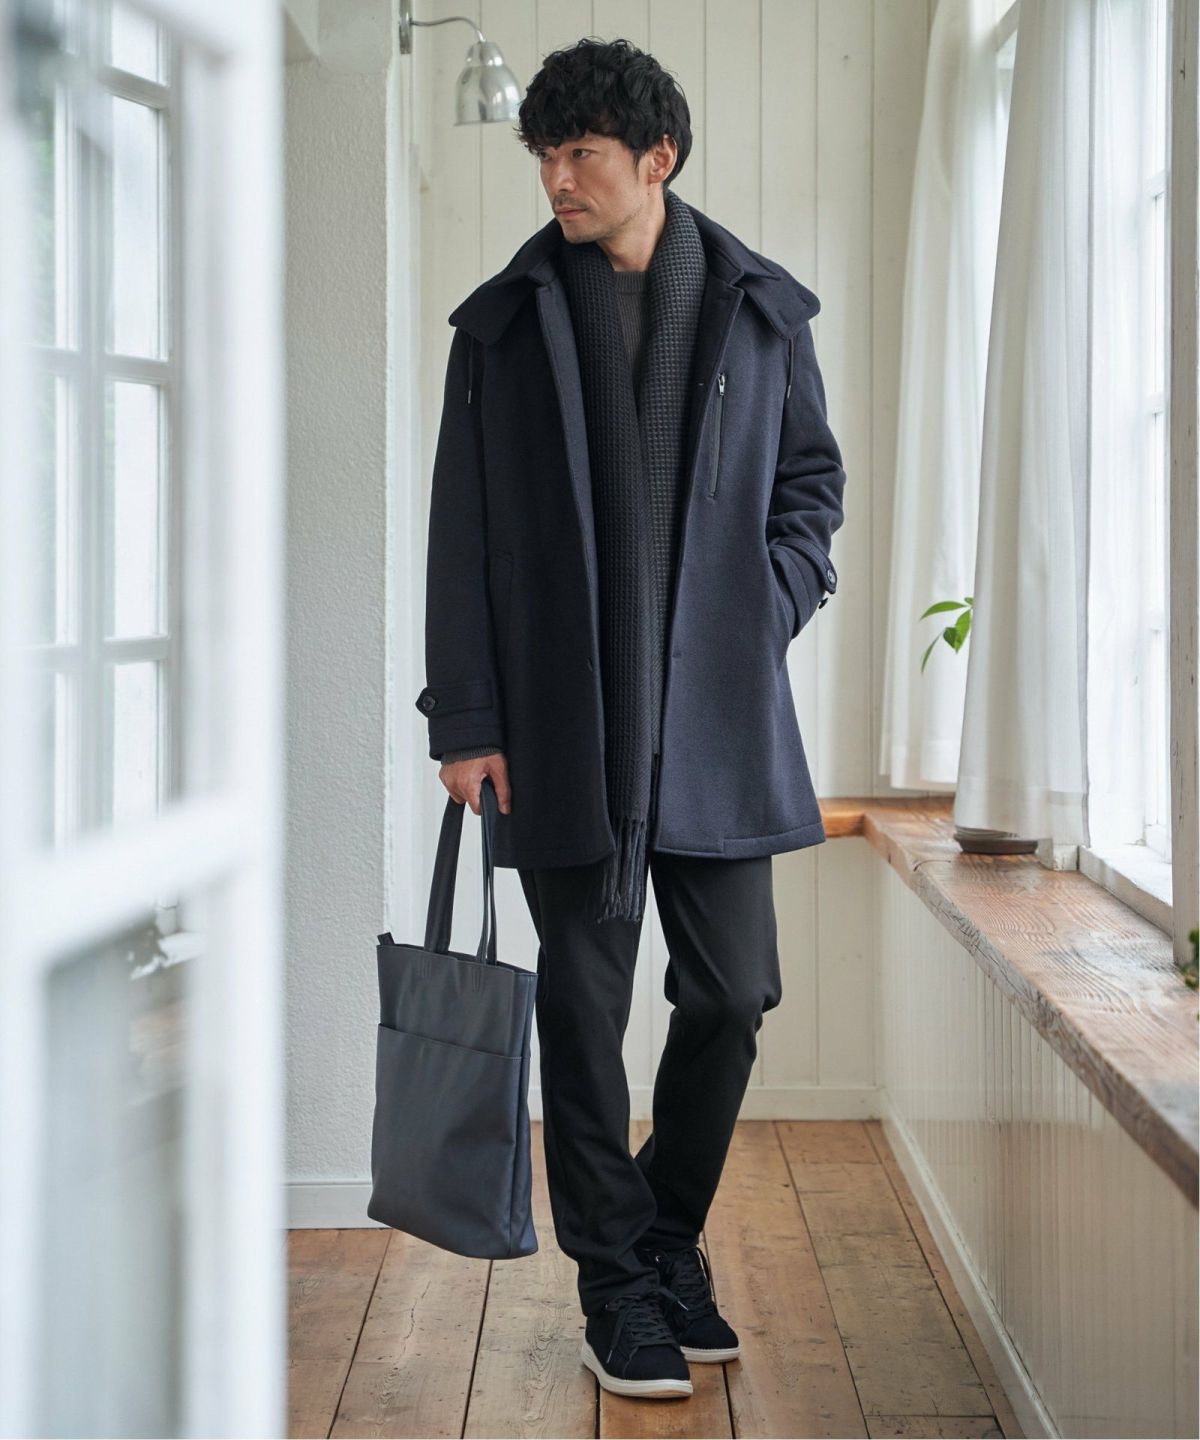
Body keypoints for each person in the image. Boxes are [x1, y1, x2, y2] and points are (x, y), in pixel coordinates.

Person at [415, 37, 846, 1401]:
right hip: (559, 724)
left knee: (732, 993)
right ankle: (616, 1283)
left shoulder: (762, 311)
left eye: (582, 153)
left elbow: (812, 491)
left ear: (657, 158)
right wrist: (464, 719)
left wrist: (765, 606)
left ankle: (663, 1235)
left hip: (715, 717)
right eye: (545, 155)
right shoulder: (502, 327)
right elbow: (461, 536)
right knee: (585, 1011)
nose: (558, 178)